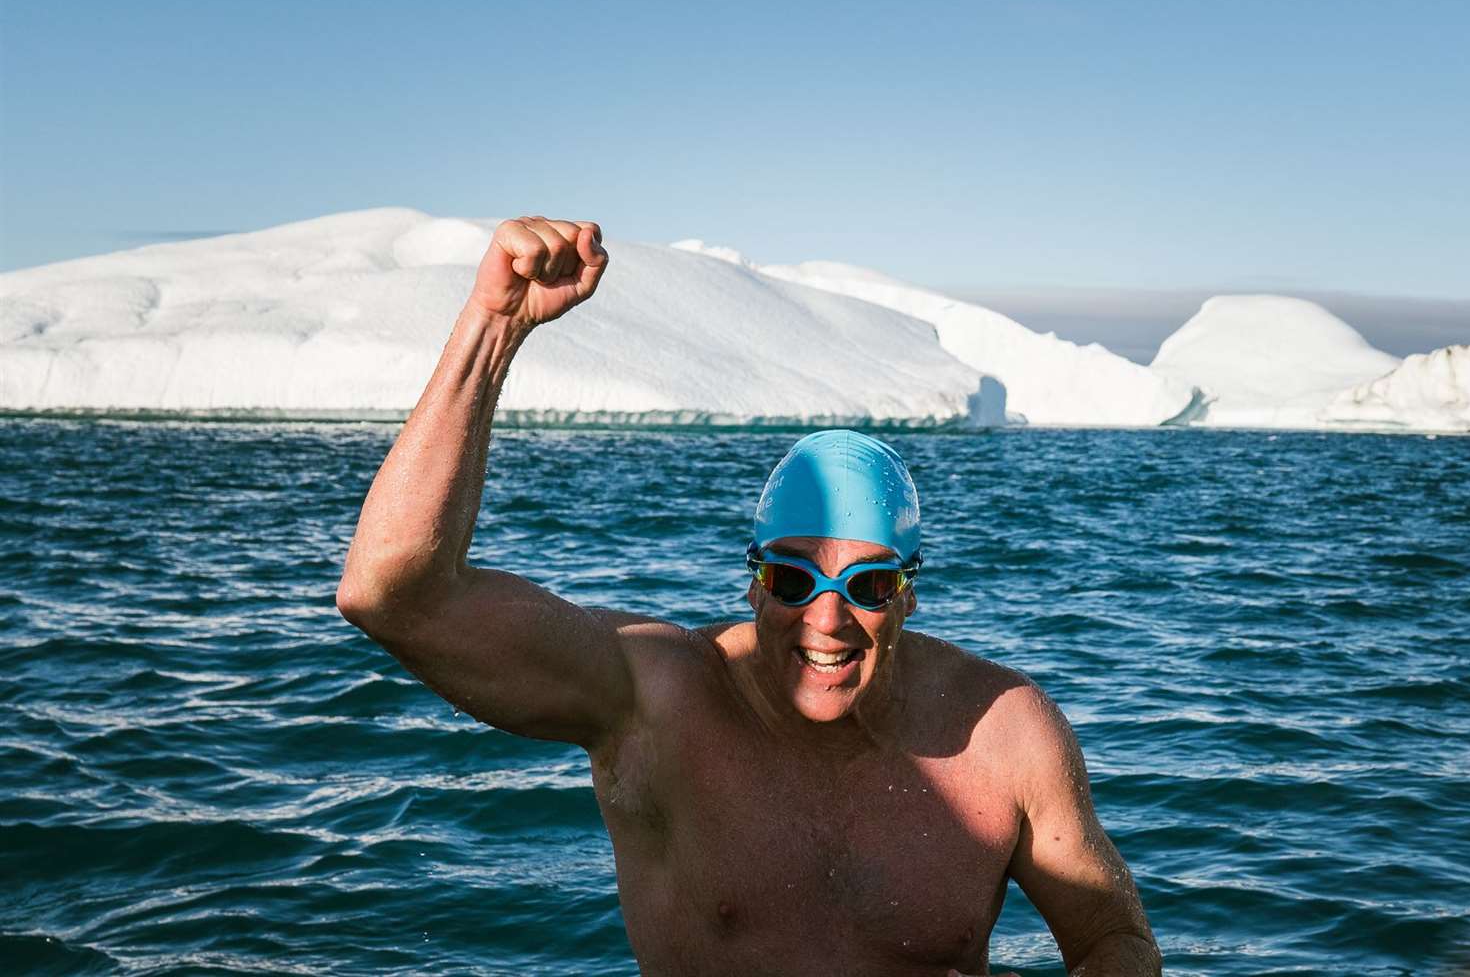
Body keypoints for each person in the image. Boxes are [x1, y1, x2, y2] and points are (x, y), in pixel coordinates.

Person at [337, 215, 1160, 976]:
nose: (826, 618)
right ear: (753, 581)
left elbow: (1112, 938)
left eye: (867, 585)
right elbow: (392, 591)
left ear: (909, 593)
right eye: (792, 580)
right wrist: (494, 327)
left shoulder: (1005, 733)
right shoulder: (653, 699)